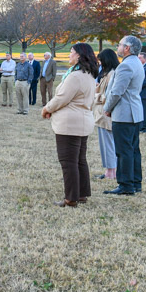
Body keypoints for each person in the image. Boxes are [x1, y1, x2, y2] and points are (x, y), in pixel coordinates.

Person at [41, 43, 98, 207]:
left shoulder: (75, 76)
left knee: (68, 162)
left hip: (70, 124)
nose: (68, 55)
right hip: (83, 121)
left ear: (79, 55)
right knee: (80, 160)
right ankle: (81, 194)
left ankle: (71, 198)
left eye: (71, 52)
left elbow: (61, 98)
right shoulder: (89, 75)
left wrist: (46, 108)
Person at [103, 35, 145, 196]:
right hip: (134, 113)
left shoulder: (125, 66)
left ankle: (126, 185)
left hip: (124, 114)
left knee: (123, 150)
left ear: (127, 48)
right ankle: (135, 182)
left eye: (119, 44)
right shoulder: (136, 63)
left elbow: (116, 92)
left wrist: (107, 108)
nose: (118, 47)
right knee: (133, 149)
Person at [93, 49, 120, 180]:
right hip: (100, 114)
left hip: (106, 114)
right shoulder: (106, 73)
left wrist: (96, 95)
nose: (100, 63)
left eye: (101, 60)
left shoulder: (112, 74)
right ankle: (109, 170)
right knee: (105, 144)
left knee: (108, 144)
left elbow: (109, 96)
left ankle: (111, 172)